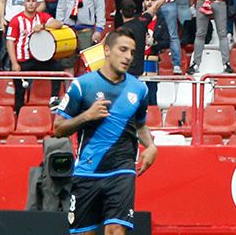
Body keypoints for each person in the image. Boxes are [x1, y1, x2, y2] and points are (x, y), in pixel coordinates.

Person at [51, 32, 157, 235]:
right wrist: (86, 116)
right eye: (123, 49)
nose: (128, 57)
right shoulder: (83, 85)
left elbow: (140, 125)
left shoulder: (139, 89)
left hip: (122, 169)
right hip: (87, 171)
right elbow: (58, 129)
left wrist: (151, 146)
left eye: (132, 52)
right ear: (107, 50)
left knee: (116, 229)